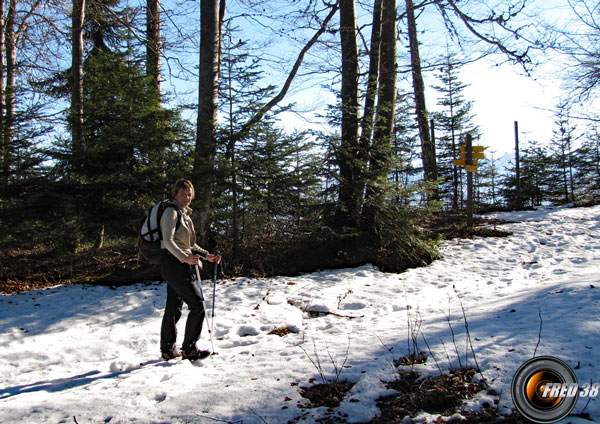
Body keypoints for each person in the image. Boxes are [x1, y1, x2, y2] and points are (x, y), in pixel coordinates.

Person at [159, 178, 221, 361]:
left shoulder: (184, 214)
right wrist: (184, 257)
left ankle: (168, 350)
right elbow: (168, 241)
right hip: (174, 264)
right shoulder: (171, 212)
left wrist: (206, 255)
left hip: (178, 264)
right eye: (183, 194)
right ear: (175, 194)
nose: (186, 197)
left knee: (173, 308)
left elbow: (190, 244)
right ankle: (189, 349)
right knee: (197, 304)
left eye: (189, 194)